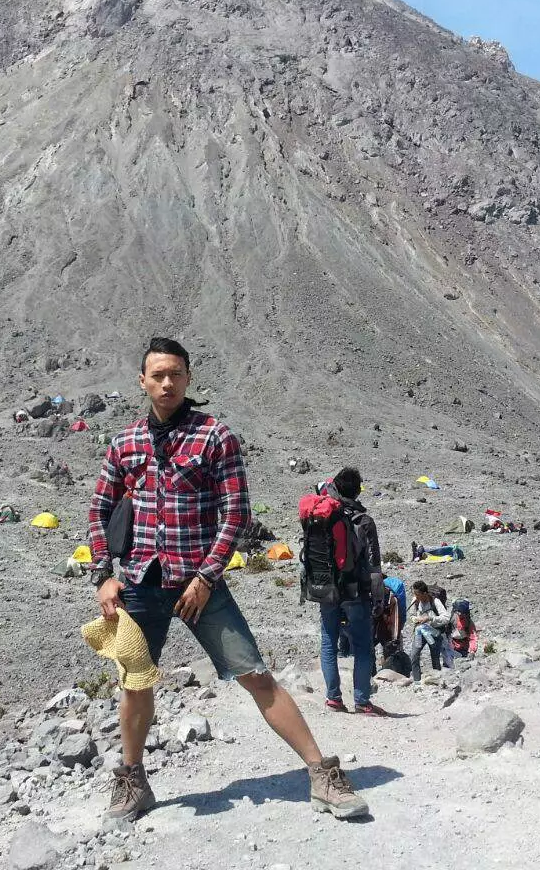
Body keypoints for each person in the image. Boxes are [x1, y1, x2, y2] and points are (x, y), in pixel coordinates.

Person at [89, 338, 368, 822]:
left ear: (189, 377)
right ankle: (133, 782)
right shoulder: (124, 443)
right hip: (138, 582)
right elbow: (100, 510)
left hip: (200, 584)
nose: (167, 383)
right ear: (142, 381)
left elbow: (236, 514)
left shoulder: (215, 436)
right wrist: (102, 575)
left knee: (254, 673)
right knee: (135, 684)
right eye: (157, 375)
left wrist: (206, 576)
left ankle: (321, 773)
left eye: (175, 373)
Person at [312, 468, 387, 716]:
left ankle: (333, 698)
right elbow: (374, 564)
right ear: (357, 490)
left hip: (326, 589)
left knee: (328, 642)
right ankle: (362, 701)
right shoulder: (364, 522)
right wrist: (379, 598)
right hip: (356, 591)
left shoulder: (324, 516)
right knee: (363, 647)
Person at [406, 582, 449, 681]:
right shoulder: (415, 601)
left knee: (435, 658)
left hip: (434, 632)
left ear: (424, 593)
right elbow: (412, 615)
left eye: (418, 594)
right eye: (415, 594)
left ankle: (437, 680)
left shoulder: (435, 601)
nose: (416, 596)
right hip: (420, 632)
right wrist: (416, 619)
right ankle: (417, 682)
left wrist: (430, 618)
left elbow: (446, 618)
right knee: (414, 655)